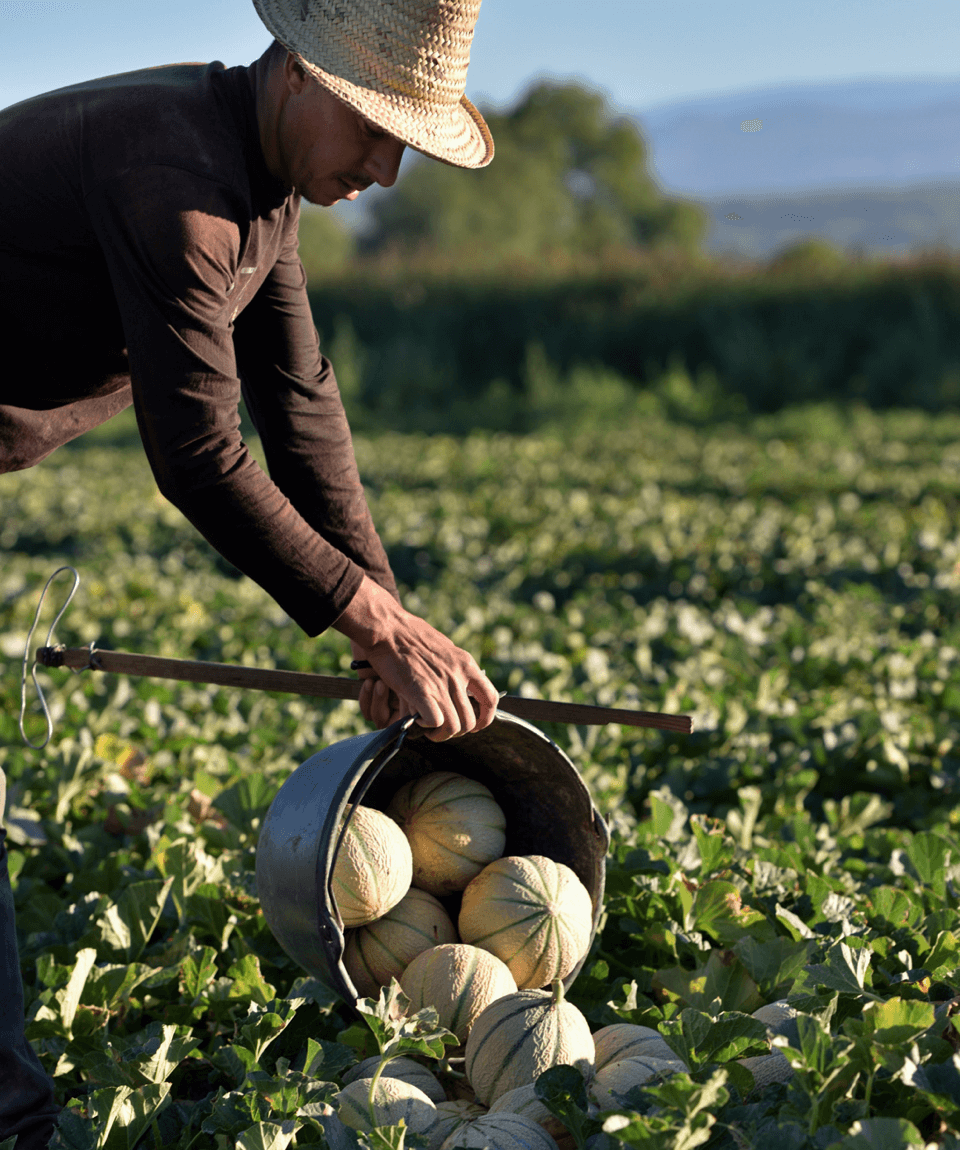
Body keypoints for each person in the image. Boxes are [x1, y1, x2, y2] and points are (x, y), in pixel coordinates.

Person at [0, 1, 498, 1143]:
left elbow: (300, 403)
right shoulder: (174, 182)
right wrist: (372, 621)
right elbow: (201, 457)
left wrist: (387, 618)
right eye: (373, 128)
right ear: (298, 78)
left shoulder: (255, 183)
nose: (383, 167)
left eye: (404, 145)